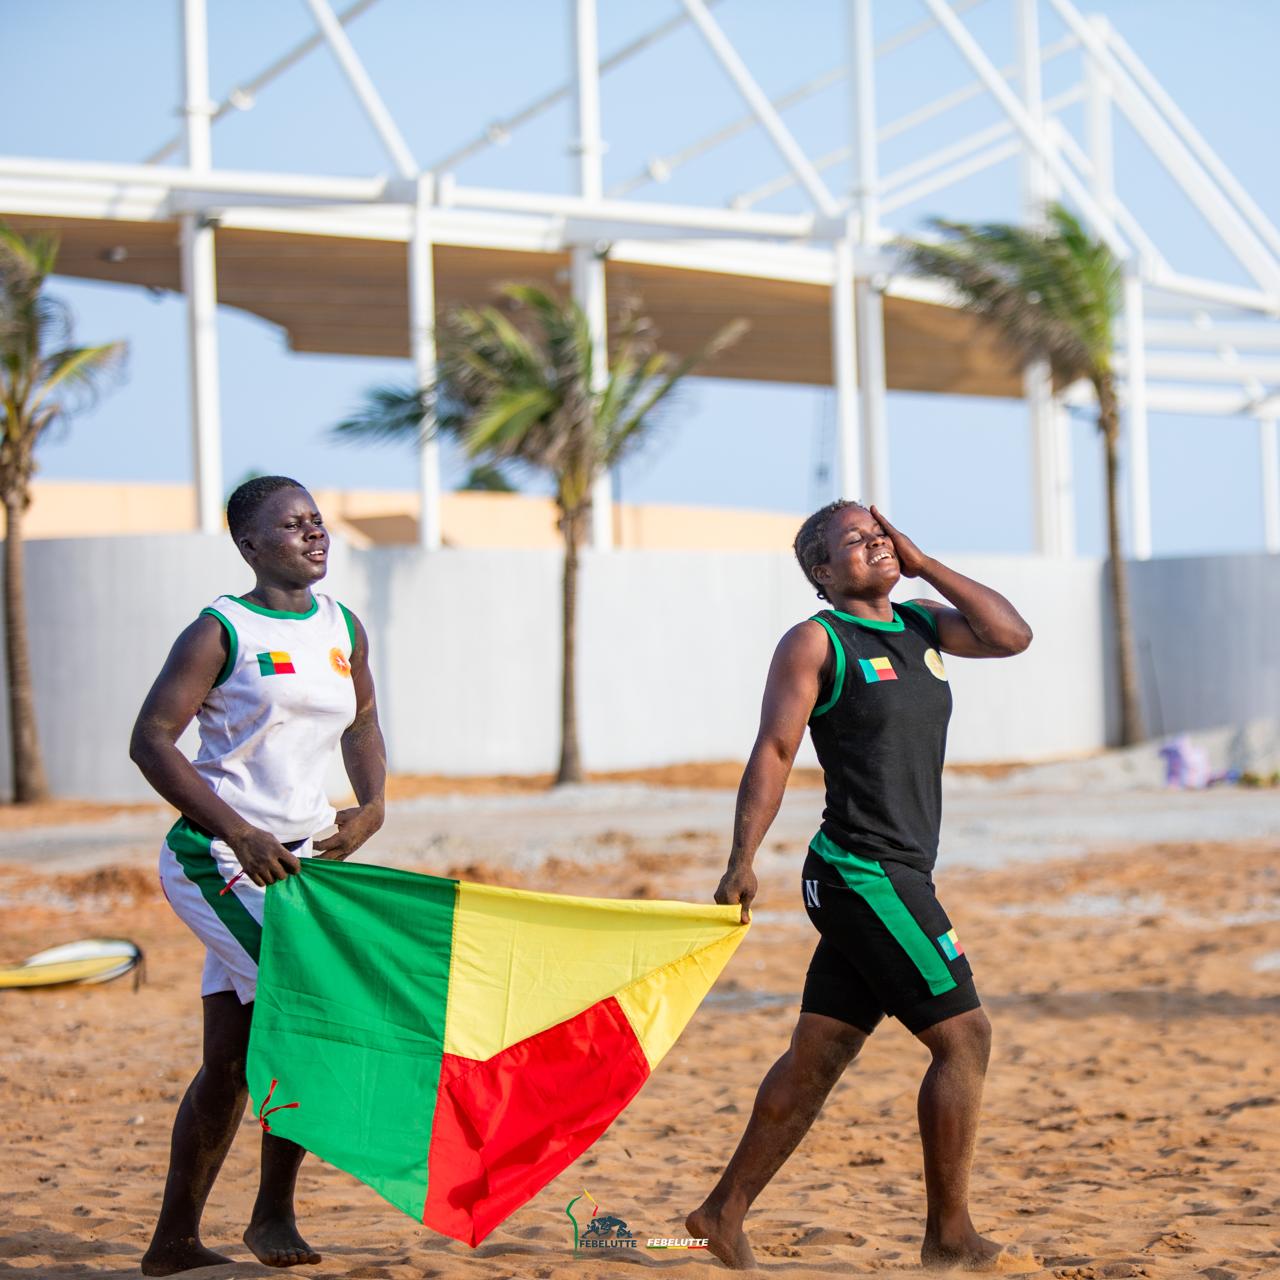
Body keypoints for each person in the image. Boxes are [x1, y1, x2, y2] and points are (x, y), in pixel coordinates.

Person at [687, 500, 1033, 1272]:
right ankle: (950, 1237)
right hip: (860, 870)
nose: (875, 546)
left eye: (880, 535)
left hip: (901, 869)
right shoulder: (817, 640)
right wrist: (742, 857)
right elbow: (775, 749)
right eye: (855, 541)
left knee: (821, 1054)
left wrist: (924, 561)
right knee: (965, 1037)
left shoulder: (921, 624)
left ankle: (719, 1214)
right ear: (820, 571)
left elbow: (1012, 636)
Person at [133, 476, 386, 1276]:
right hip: (219, 860)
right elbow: (153, 741)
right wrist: (237, 831)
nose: (315, 535)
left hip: (302, 865)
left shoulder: (343, 625)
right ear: (249, 543)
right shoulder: (220, 630)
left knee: (235, 1059)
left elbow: (366, 720)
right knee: (313, 1022)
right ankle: (271, 1213)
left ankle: (174, 1244)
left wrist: (373, 803)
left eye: (317, 522)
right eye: (292, 525)